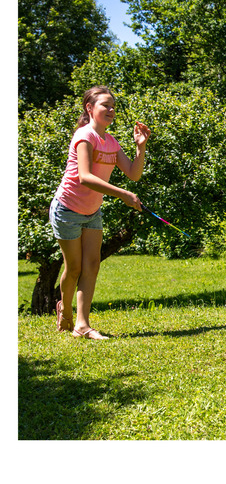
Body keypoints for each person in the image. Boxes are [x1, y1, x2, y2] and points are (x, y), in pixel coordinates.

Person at [49, 86, 150, 339]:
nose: (111, 110)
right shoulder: (84, 136)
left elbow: (134, 174)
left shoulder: (111, 142)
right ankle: (67, 310)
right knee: (73, 268)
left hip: (92, 211)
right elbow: (85, 177)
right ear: (90, 108)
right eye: (105, 105)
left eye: (113, 106)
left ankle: (82, 326)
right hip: (68, 209)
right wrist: (123, 194)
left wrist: (140, 147)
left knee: (92, 265)